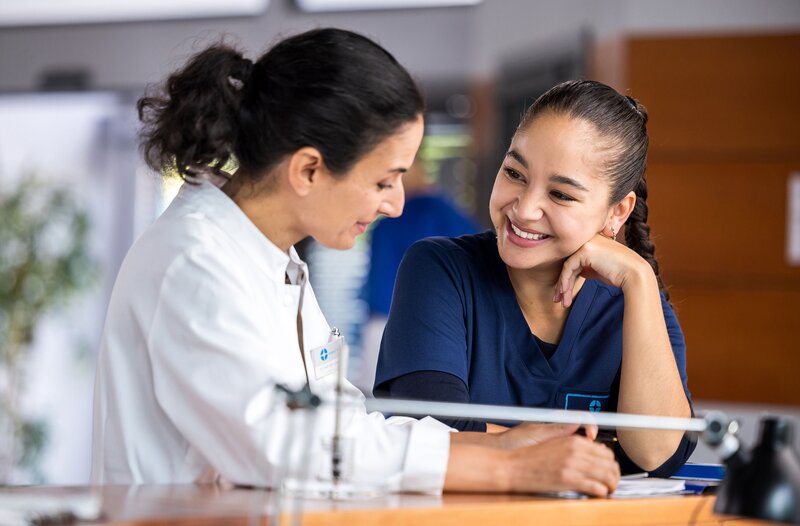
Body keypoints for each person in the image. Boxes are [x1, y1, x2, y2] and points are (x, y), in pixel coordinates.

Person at [91, 30, 620, 497]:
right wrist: (504, 470)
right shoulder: (195, 261)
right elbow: (285, 446)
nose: (395, 204)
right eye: (384, 180)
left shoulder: (269, 259)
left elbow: (339, 421)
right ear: (309, 171)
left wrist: (503, 446)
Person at [375, 80, 696, 477]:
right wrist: (592, 451)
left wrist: (639, 277)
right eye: (515, 172)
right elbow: (433, 432)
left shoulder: (638, 303)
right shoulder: (441, 270)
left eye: (561, 194)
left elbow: (657, 453)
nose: (525, 209)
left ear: (617, 212)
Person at [357, 157, 478, 392]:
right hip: (450, 324)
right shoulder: (455, 215)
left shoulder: (390, 222)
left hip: (387, 317)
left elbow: (379, 282)